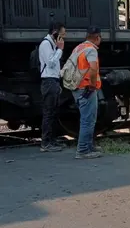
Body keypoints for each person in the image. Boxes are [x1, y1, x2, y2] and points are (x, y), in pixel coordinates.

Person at [69, 26, 103, 159]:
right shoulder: (91, 50)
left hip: (77, 87)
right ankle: (83, 150)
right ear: (97, 37)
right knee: (88, 120)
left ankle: (88, 146)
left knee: (87, 118)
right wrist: (93, 86)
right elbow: (93, 69)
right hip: (86, 88)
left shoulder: (79, 48)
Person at [39, 22, 66, 152]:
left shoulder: (52, 45)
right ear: (55, 33)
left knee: (53, 112)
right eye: (61, 35)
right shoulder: (45, 44)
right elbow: (50, 63)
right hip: (49, 81)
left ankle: (52, 140)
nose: (63, 39)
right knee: (49, 113)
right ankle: (46, 143)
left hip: (53, 81)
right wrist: (60, 49)